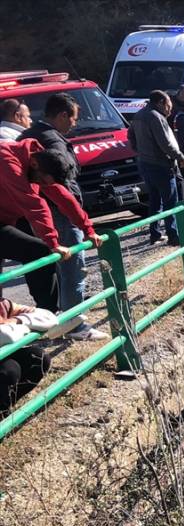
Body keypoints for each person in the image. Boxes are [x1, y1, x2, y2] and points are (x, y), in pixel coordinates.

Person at [17, 92, 102, 339]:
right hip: (60, 215)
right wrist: (83, 224)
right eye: (73, 119)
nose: (74, 124)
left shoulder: (29, 137)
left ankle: (56, 320)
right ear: (63, 115)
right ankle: (74, 324)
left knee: (54, 267)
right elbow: (61, 186)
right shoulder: (52, 141)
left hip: (44, 214)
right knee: (73, 267)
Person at [0, 140, 101, 311]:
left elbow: (62, 196)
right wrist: (53, 243)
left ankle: (48, 315)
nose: (44, 186)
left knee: (37, 251)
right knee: (38, 250)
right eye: (43, 182)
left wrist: (88, 229)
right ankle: (48, 314)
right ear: (33, 164)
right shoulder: (6, 160)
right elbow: (33, 203)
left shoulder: (40, 162)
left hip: (4, 219)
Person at [130, 90, 184, 246]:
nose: (170, 108)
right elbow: (166, 143)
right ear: (161, 102)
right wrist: (180, 157)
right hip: (161, 165)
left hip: (144, 164)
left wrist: (141, 151)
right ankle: (173, 235)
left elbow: (131, 138)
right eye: (169, 104)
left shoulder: (138, 115)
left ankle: (154, 234)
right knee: (171, 201)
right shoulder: (155, 117)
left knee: (155, 201)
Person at [0, 299, 52, 411]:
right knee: (9, 370)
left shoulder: (4, 304)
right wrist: (26, 327)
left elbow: (49, 317)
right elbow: (5, 336)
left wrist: (17, 320)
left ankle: (3, 408)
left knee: (39, 358)